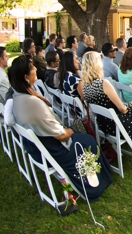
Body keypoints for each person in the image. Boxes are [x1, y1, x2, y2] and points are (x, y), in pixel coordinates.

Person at [10, 55, 113, 201]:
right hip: (55, 149)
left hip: (38, 147)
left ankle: (101, 171)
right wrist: (73, 129)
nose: (36, 70)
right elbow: (62, 136)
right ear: (26, 77)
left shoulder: (18, 96)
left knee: (83, 131)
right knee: (88, 139)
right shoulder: (33, 103)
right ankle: (93, 185)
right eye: (33, 68)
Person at [81, 51, 132, 156]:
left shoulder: (84, 86)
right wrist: (127, 108)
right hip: (114, 124)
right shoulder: (103, 84)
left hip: (102, 124)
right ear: (97, 64)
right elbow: (121, 108)